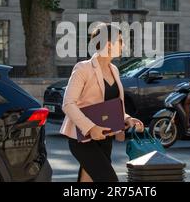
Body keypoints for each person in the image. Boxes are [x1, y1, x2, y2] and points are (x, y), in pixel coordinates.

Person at [59, 23, 144, 182]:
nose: (123, 44)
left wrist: (126, 118)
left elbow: (110, 104)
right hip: (83, 137)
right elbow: (68, 104)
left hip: (105, 136)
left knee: (89, 178)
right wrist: (91, 128)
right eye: (120, 40)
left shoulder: (114, 69)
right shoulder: (83, 68)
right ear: (109, 44)